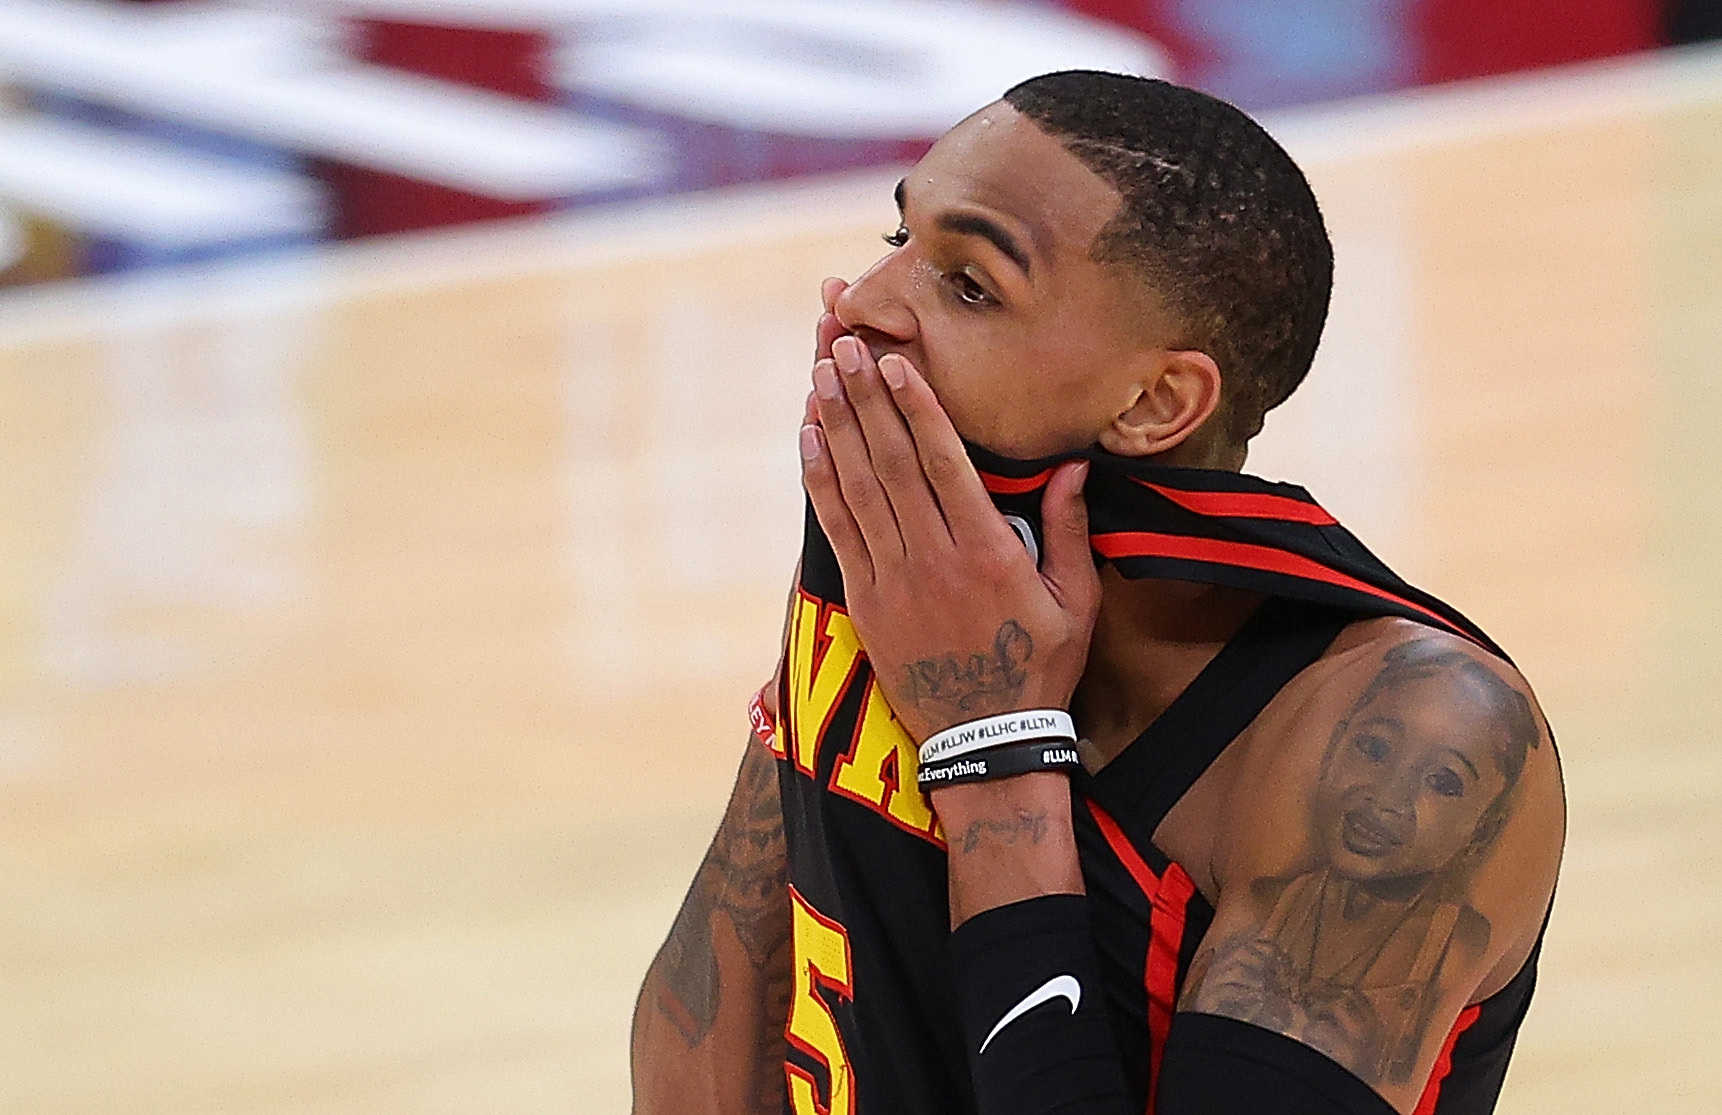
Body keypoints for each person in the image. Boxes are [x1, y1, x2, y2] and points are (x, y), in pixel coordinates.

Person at [629, 71, 1563, 1115]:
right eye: (898, 237)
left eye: (968, 282)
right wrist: (835, 618)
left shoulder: (1409, 735)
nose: (864, 306)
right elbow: (694, 1079)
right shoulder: (921, 582)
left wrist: (996, 747)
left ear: (1154, 402)